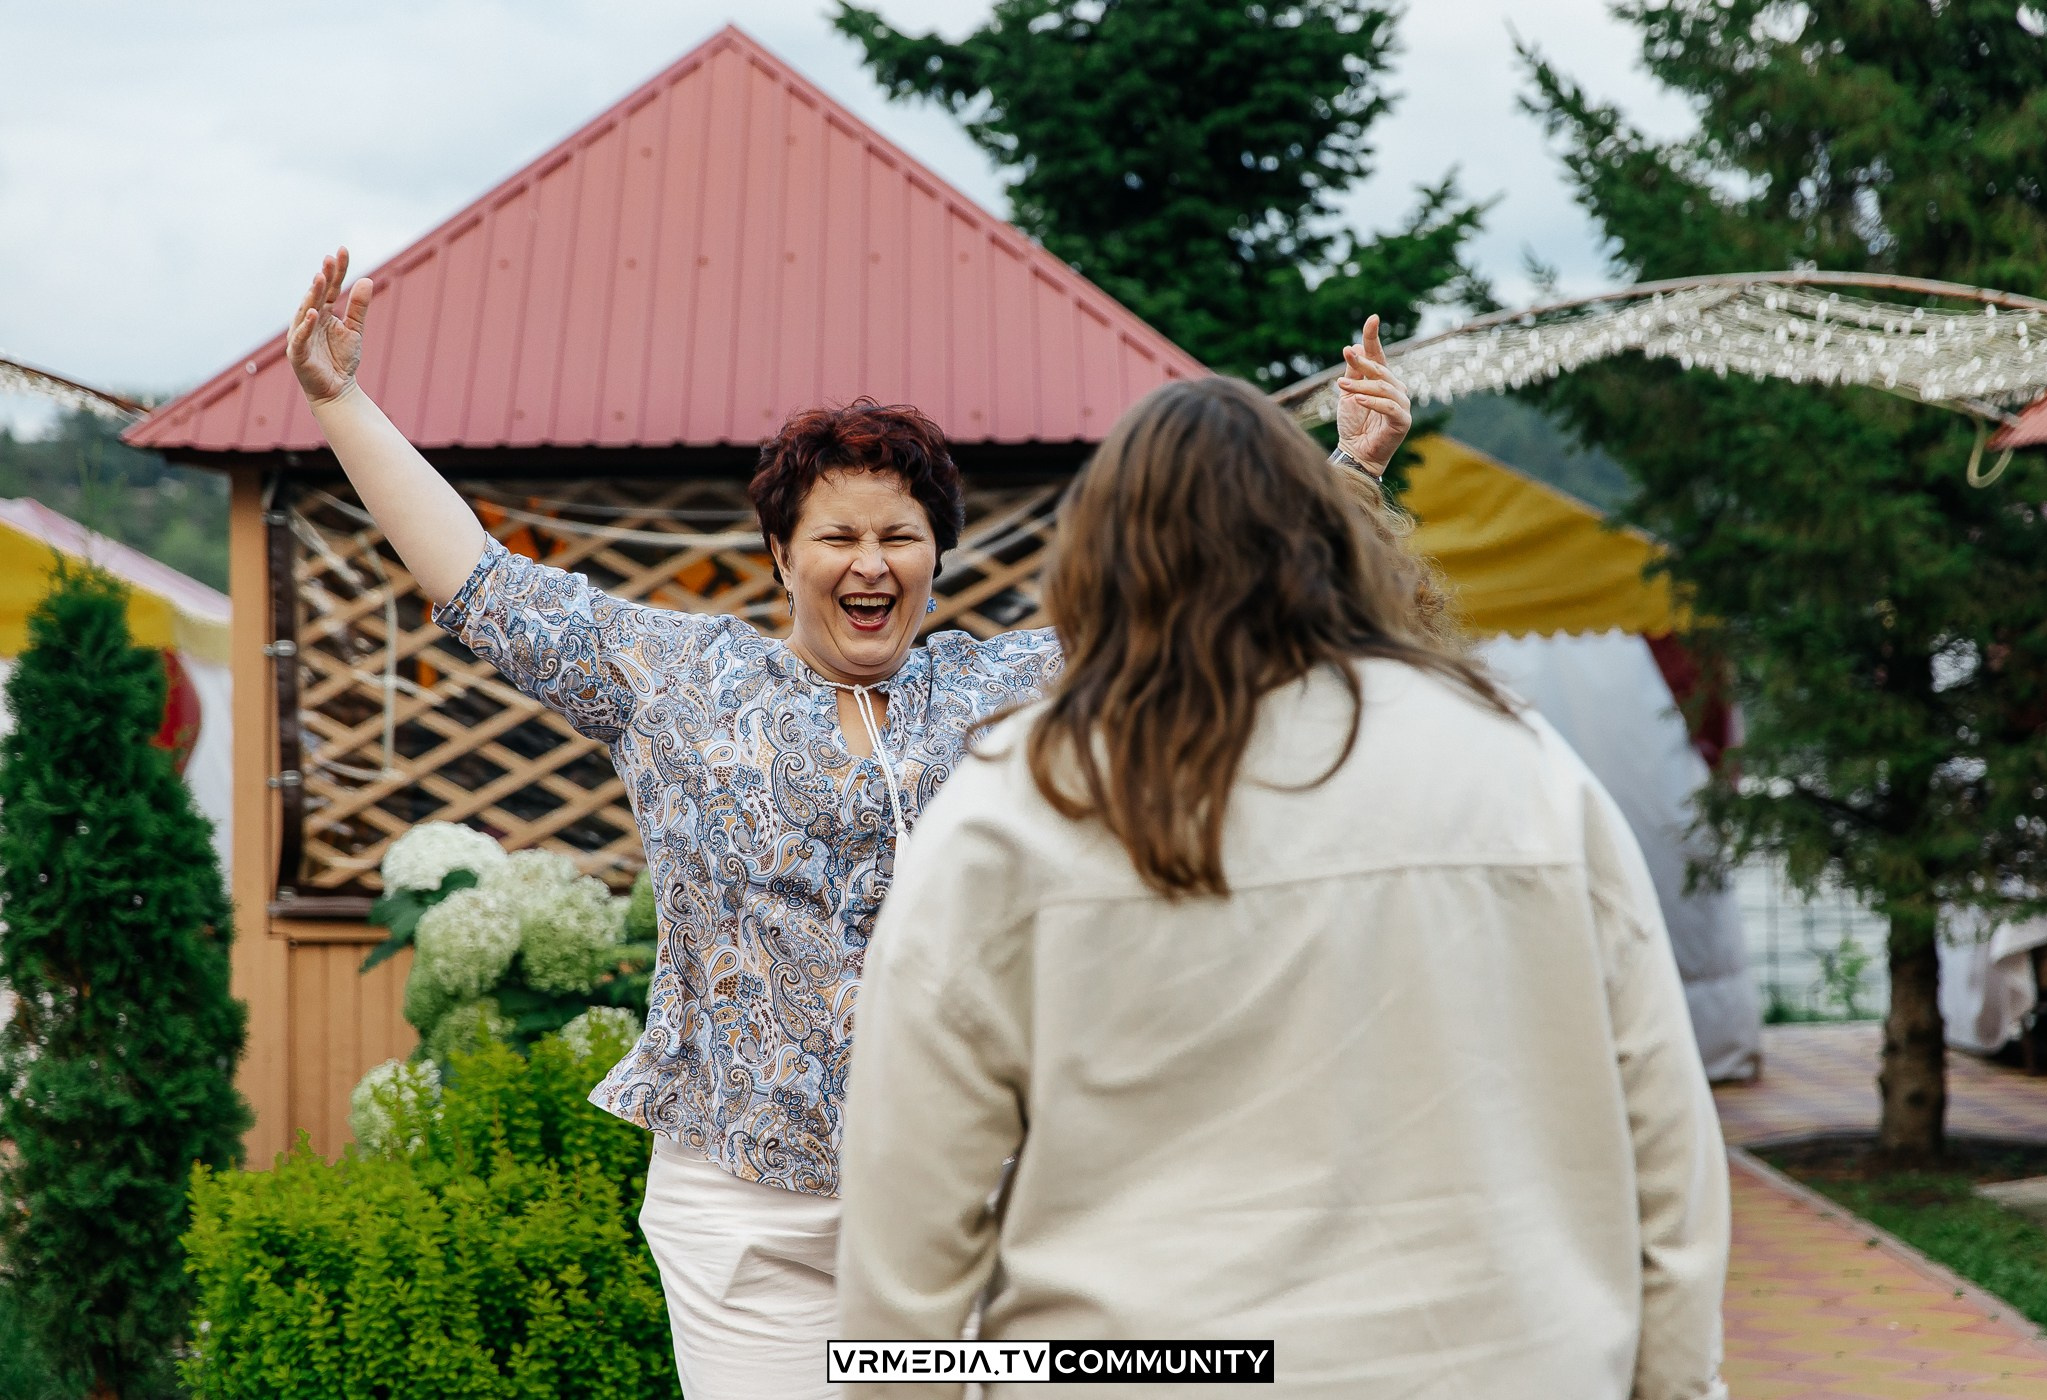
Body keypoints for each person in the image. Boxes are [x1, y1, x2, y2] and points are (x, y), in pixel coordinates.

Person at [283, 249, 1418, 1398]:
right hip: (745, 1217)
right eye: (838, 536)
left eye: (901, 535)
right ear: (783, 554)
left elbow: (1224, 620)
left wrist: (1352, 469)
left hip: (973, 1201)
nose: (871, 562)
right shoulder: (674, 679)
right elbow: (482, 584)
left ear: (937, 557)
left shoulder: (1013, 686)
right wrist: (340, 400)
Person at [834, 376, 1732, 1397]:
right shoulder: (1520, 763)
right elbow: (1668, 1141)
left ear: (1096, 564)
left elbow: (905, 1218)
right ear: (1329, 543)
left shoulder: (1019, 799)